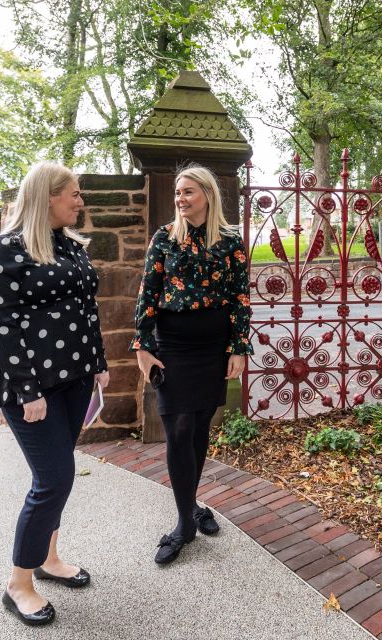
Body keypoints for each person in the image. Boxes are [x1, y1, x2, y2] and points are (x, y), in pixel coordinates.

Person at [0, 162, 110, 626]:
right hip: (32, 389)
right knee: (53, 478)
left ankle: (49, 559)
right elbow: (5, 327)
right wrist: (26, 390)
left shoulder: (69, 246)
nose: (80, 201)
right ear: (47, 197)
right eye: (73, 194)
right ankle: (18, 583)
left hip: (76, 380)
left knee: (62, 474)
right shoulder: (8, 251)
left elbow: (86, 309)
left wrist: (98, 363)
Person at [131, 163, 252, 565]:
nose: (180, 199)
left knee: (199, 428)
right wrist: (142, 346)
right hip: (174, 345)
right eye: (178, 193)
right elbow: (148, 292)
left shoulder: (231, 241)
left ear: (208, 195)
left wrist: (237, 348)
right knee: (178, 428)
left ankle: (192, 505)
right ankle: (185, 523)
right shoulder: (164, 238)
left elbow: (240, 297)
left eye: (188, 192)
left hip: (213, 347)